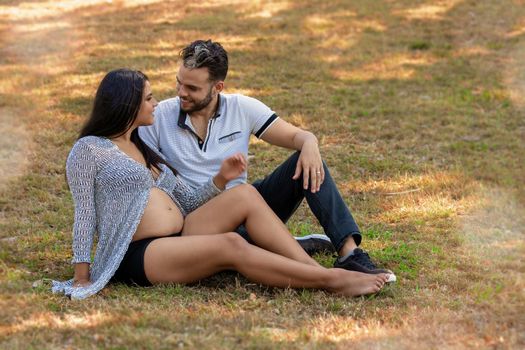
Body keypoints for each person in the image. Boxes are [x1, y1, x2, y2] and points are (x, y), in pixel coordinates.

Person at [52, 68, 392, 300]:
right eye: (149, 98)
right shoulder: (90, 150)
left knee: (243, 193)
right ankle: (332, 281)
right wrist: (83, 278)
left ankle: (313, 270)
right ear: (127, 104)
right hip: (139, 253)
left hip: (182, 231)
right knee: (230, 245)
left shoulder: (143, 145)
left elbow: (184, 199)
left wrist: (221, 180)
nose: (157, 103)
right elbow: (84, 215)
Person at [138, 39, 395, 277]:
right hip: (196, 223)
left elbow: (298, 137)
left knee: (302, 162)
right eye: (178, 83)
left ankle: (349, 253)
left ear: (217, 88)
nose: (181, 92)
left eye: (192, 88)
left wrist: (310, 143)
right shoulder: (158, 117)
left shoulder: (242, 108)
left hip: (248, 213)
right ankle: (295, 253)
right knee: (244, 198)